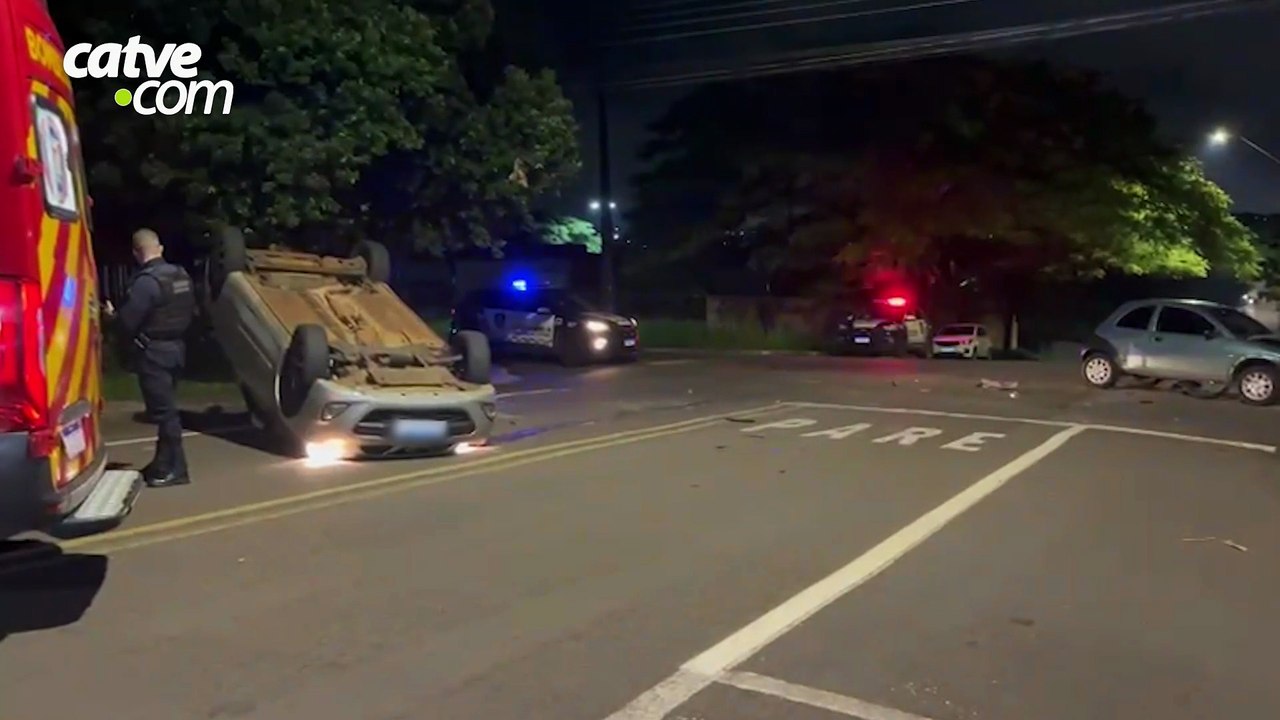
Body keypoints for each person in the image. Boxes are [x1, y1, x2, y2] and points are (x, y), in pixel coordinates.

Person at [103, 229, 196, 487]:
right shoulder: (180, 275)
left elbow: (127, 323)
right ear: (160, 248)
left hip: (154, 353)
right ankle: (162, 463)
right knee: (167, 409)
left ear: (136, 253)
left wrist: (110, 317)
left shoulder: (146, 283)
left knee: (165, 414)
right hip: (177, 349)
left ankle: (177, 469)